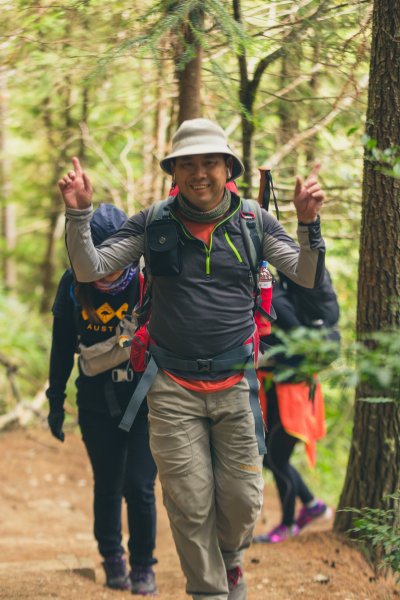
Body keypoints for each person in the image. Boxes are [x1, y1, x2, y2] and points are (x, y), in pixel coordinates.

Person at [59, 118, 326, 600]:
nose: (198, 173)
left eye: (209, 163)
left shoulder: (254, 222)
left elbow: (305, 274)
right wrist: (79, 216)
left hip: (237, 384)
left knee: (243, 501)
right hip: (170, 387)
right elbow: (90, 267)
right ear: (174, 171)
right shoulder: (153, 221)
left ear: (228, 169)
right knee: (189, 503)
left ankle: (231, 562)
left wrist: (309, 225)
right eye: (188, 164)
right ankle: (209, 592)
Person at [46, 203, 158, 595]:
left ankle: (144, 564)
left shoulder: (146, 281)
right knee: (108, 483)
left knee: (140, 486)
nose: (104, 268)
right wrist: (55, 399)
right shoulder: (72, 284)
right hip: (95, 401)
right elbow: (62, 347)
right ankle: (113, 558)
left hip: (145, 401)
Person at [253, 270, 340, 543]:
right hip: (284, 388)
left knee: (276, 458)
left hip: (293, 392)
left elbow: (298, 341)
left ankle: (289, 523)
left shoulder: (276, 301)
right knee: (273, 456)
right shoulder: (273, 298)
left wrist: (269, 359)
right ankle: (312, 505)